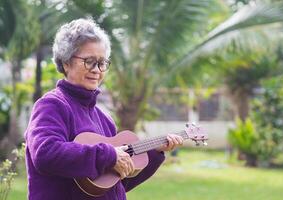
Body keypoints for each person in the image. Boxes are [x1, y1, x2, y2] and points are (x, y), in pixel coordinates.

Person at [24, 18, 184, 200]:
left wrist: (155, 154)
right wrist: (108, 155)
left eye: (102, 63)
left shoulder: (104, 119)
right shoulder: (52, 105)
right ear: (66, 62)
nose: (97, 70)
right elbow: (46, 153)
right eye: (89, 61)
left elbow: (113, 183)